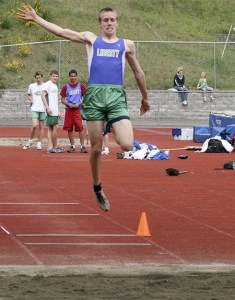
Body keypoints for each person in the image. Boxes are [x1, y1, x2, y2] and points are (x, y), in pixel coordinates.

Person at [18, 6, 150, 211]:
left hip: (115, 97)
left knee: (126, 145)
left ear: (117, 23)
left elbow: (139, 74)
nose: (109, 23)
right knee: (96, 149)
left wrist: (145, 98)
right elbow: (62, 32)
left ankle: (111, 126)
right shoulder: (91, 40)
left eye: (112, 20)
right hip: (95, 97)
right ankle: (97, 188)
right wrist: (37, 18)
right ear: (99, 23)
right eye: (105, 20)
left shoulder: (127, 45)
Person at [60, 69, 88, 153]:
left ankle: (82, 146)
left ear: (76, 76)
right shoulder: (66, 87)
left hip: (77, 110)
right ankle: (72, 146)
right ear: (69, 77)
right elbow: (62, 99)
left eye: (74, 76)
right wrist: (68, 104)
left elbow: (85, 97)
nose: (73, 77)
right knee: (69, 128)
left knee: (80, 127)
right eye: (71, 76)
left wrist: (79, 103)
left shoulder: (81, 86)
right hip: (69, 110)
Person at [41, 70, 65, 153]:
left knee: (51, 128)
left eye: (56, 76)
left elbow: (55, 100)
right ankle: (53, 146)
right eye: (53, 76)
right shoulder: (47, 84)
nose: (55, 77)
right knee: (55, 127)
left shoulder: (55, 86)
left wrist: (58, 111)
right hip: (50, 110)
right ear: (50, 76)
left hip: (54, 110)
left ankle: (50, 147)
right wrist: (47, 108)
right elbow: (43, 96)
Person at [23, 71, 46, 150]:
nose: (38, 79)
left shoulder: (46, 86)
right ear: (35, 78)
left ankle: (39, 143)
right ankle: (30, 141)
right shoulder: (32, 86)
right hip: (34, 108)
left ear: (42, 77)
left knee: (41, 127)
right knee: (35, 125)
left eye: (40, 77)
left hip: (43, 109)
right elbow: (28, 94)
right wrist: (31, 100)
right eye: (37, 78)